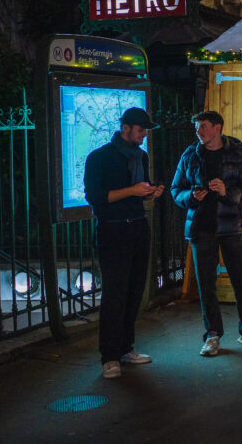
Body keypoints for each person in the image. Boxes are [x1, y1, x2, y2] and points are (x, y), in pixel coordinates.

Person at [171, 111, 242, 357]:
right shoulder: (190, 155)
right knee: (206, 285)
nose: (199, 131)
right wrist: (190, 197)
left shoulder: (237, 153)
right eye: (197, 127)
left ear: (217, 128)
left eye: (203, 126)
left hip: (232, 228)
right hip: (201, 229)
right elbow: (176, 190)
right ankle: (212, 335)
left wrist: (228, 190)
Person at [84, 107, 165, 379]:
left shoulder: (140, 156)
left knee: (133, 292)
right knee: (114, 294)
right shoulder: (100, 157)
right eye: (141, 131)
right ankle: (109, 357)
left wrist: (151, 192)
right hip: (113, 231)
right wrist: (133, 190)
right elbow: (95, 196)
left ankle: (126, 348)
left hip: (138, 227)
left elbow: (140, 193)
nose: (143, 137)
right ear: (126, 127)